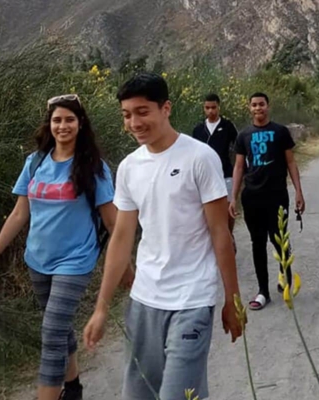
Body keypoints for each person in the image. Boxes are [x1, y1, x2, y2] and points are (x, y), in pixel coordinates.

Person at [83, 73, 243, 400]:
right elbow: (122, 238)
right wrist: (101, 307)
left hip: (192, 299)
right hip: (144, 300)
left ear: (166, 108)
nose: (134, 122)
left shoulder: (199, 158)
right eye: (127, 115)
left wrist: (232, 299)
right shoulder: (129, 167)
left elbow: (219, 233)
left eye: (143, 112)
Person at [0, 94, 133, 400]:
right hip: (37, 259)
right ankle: (72, 387)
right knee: (58, 326)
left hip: (75, 261)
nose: (63, 126)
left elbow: (113, 223)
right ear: (49, 124)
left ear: (80, 124)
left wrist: (126, 267)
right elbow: (19, 214)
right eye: (57, 120)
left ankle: (48, 394)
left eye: (69, 119)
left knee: (51, 332)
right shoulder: (34, 163)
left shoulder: (93, 168)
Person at [229, 92, 305, 311]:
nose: (258, 108)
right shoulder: (243, 135)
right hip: (252, 197)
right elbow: (239, 167)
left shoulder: (280, 132)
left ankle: (286, 281)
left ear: (268, 106)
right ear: (249, 108)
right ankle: (263, 291)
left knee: (279, 239)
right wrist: (233, 197)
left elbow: (291, 162)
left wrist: (299, 191)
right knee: (257, 243)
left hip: (277, 195)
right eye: (254, 105)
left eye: (261, 104)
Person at [192, 93, 239, 245]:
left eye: (213, 107)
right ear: (203, 109)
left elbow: (238, 148)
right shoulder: (198, 130)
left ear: (219, 107)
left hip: (225, 173)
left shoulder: (227, 126)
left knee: (228, 209)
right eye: (207, 108)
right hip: (204, 176)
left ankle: (229, 237)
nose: (211, 111)